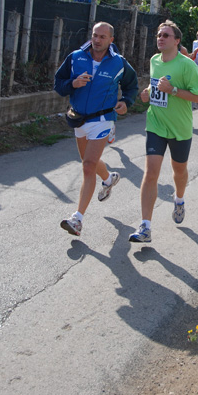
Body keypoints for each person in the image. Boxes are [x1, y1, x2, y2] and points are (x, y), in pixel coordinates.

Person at [55, 22, 138, 236]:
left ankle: (77, 219)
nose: (97, 40)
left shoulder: (118, 63)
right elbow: (58, 83)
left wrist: (126, 102)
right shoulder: (75, 57)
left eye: (102, 37)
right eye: (94, 35)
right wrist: (72, 84)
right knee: (87, 162)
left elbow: (132, 85)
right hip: (79, 117)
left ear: (111, 40)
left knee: (88, 166)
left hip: (103, 119)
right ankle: (109, 179)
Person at [129, 21, 198, 243]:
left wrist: (172, 90)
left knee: (179, 172)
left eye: (166, 35)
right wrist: (148, 93)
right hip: (156, 124)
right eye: (159, 35)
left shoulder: (187, 65)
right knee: (151, 173)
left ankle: (179, 199)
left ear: (177, 41)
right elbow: (155, 86)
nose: (160, 38)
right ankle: (145, 227)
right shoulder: (154, 60)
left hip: (180, 128)